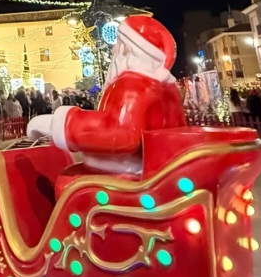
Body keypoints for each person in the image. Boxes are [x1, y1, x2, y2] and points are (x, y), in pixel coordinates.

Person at [27, 15, 185, 176]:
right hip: (156, 171)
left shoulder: (134, 85)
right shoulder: (167, 87)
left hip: (127, 173)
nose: (113, 50)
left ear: (128, 49)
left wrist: (55, 124)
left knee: (67, 181)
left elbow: (120, 134)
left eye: (118, 44)